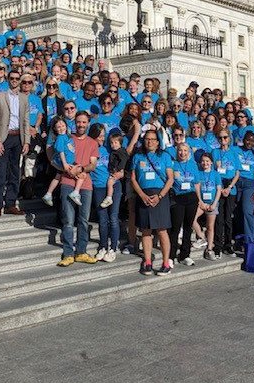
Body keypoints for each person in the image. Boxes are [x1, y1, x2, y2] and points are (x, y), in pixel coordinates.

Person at [56, 112, 99, 267]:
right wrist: (68, 169)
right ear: (74, 123)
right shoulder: (67, 138)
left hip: (85, 185)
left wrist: (81, 168)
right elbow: (57, 158)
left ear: (88, 124)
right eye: (79, 122)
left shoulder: (93, 143)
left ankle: (81, 252)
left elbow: (93, 164)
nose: (81, 125)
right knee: (68, 220)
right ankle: (68, 253)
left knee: (83, 220)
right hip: (67, 182)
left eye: (84, 122)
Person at [131, 129, 174, 275]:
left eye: (153, 139)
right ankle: (148, 261)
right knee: (146, 230)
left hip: (160, 195)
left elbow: (170, 179)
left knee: (162, 230)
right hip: (144, 195)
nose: (150, 141)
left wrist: (160, 196)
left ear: (158, 141)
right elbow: (133, 178)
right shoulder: (138, 156)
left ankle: (166, 262)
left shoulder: (165, 156)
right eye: (147, 139)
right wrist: (142, 195)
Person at [0, 73, 31, 218]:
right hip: (4, 138)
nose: (14, 81)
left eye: (16, 79)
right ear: (8, 80)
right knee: (1, 172)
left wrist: (26, 141)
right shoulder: (0, 96)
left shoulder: (24, 98)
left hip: (18, 138)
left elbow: (26, 121)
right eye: (11, 78)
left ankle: (11, 204)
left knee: (15, 172)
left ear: (19, 81)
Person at [91, 125, 125, 262]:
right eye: (99, 135)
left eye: (103, 135)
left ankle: (113, 248)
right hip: (98, 187)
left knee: (113, 218)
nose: (102, 138)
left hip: (114, 185)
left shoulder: (109, 149)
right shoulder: (90, 150)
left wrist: (120, 173)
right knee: (102, 219)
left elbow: (121, 164)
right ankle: (103, 246)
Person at [210, 127, 242, 258]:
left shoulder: (234, 152)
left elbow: (237, 172)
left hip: (230, 188)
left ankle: (228, 245)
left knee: (228, 219)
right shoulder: (215, 152)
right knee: (219, 219)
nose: (223, 140)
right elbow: (214, 171)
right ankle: (217, 246)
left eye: (225, 137)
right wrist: (221, 188)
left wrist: (229, 187)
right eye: (220, 138)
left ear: (229, 139)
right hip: (219, 187)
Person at [168, 142, 200, 266]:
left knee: (188, 227)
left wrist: (200, 200)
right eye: (180, 150)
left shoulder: (193, 165)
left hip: (191, 198)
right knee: (175, 228)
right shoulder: (173, 165)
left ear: (189, 152)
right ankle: (171, 255)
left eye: (185, 150)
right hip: (178, 198)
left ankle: (185, 255)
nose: (183, 153)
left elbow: (196, 184)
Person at [234, 131, 254, 251]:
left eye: (252, 141)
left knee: (247, 211)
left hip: (250, 184)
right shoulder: (235, 150)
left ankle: (250, 239)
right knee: (237, 212)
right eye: (247, 140)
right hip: (237, 182)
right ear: (243, 140)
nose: (249, 142)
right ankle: (239, 238)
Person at [194, 151, 221, 259]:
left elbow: (218, 189)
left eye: (207, 161)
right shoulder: (198, 173)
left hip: (212, 203)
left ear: (211, 162)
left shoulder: (215, 174)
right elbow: (197, 188)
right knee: (191, 218)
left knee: (210, 227)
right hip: (201, 203)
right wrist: (200, 202)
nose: (205, 163)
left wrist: (214, 204)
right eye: (203, 161)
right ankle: (201, 236)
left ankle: (209, 249)